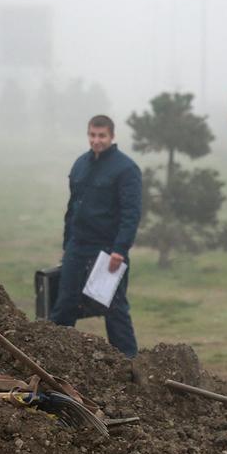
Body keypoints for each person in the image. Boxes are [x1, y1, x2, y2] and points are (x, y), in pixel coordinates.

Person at [52, 115, 143, 358]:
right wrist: (67, 246)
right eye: (92, 135)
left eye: (101, 136)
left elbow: (131, 214)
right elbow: (72, 209)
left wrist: (119, 250)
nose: (96, 140)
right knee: (64, 305)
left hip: (107, 251)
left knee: (114, 309)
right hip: (77, 247)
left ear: (112, 136)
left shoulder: (126, 169)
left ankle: (129, 364)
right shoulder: (80, 164)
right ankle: (54, 360)